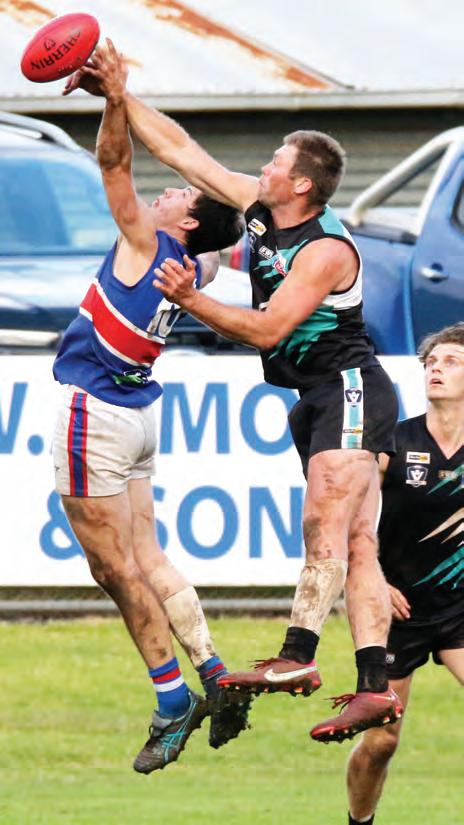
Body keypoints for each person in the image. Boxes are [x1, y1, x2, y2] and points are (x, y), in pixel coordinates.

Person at [68, 39, 404, 744]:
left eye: (277, 161)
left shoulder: (324, 250)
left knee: (323, 521)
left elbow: (268, 329)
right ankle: (375, 686)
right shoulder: (260, 208)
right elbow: (184, 153)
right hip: (314, 395)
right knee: (358, 542)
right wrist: (120, 95)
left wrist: (191, 298)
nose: (265, 166)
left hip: (348, 385)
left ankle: (297, 654)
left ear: (302, 185)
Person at [53, 45, 248, 775]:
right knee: (148, 556)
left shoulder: (149, 241)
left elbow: (113, 163)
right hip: (138, 415)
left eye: (179, 194)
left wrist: (113, 99)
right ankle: (213, 670)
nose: (166, 192)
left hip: (96, 410)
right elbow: (220, 221)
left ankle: (172, 699)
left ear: (186, 221)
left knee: (112, 568)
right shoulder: (200, 263)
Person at [345, 324, 464, 825]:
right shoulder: (394, 442)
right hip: (398, 610)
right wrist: (373, 578)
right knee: (381, 742)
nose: (436, 369)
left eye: (451, 361)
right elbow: (346, 518)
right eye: (431, 363)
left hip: (458, 610)